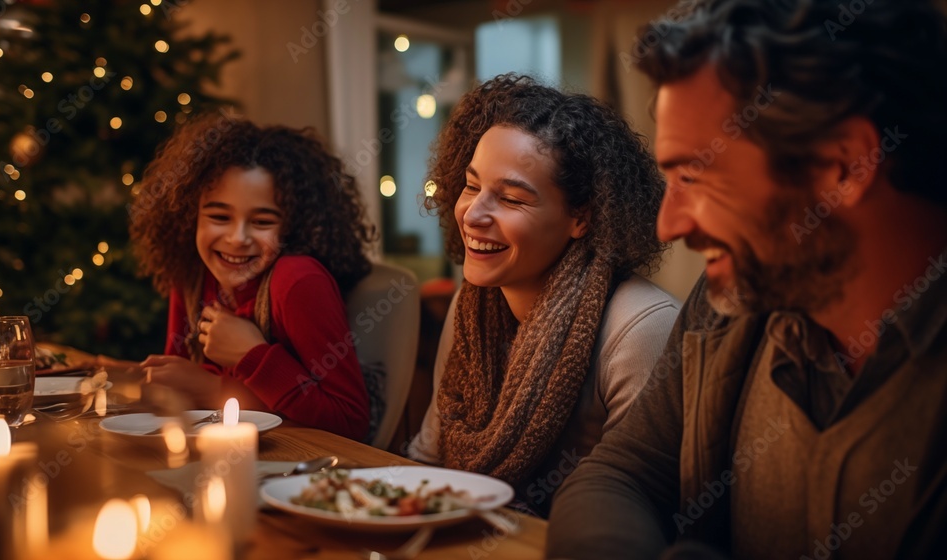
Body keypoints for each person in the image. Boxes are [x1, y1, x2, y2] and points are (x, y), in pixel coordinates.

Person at [547, 0, 947, 558]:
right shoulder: (727, 306)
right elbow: (620, 476)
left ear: (844, 165)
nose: (668, 225)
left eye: (694, 175)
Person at [407, 75, 680, 517]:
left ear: (582, 217)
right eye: (472, 186)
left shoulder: (641, 327)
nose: (473, 214)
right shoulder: (470, 307)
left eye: (511, 199)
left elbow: (643, 514)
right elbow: (429, 460)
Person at [129, 115, 377, 441]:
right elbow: (179, 392)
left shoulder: (298, 282)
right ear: (190, 214)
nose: (236, 238)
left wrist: (250, 358)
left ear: (292, 226)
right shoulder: (192, 274)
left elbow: (350, 422)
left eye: (262, 222)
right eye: (219, 216)